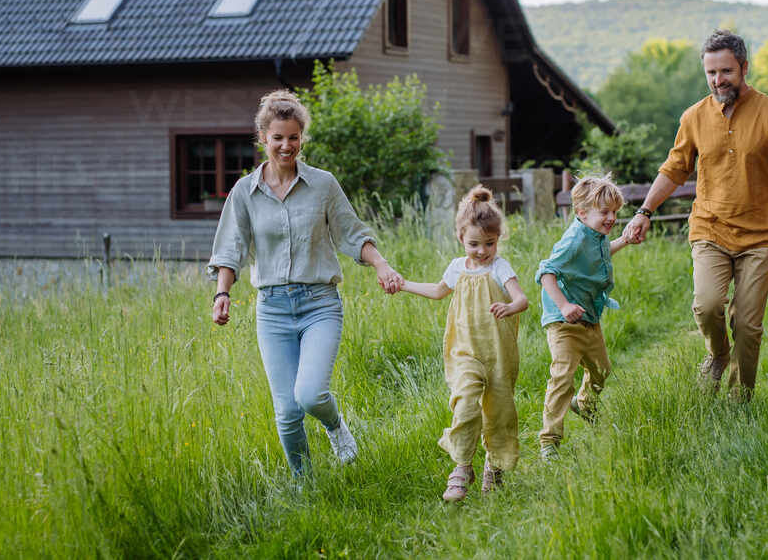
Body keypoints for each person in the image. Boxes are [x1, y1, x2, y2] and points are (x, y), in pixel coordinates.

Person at [208, 89, 403, 476]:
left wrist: (381, 265)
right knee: (286, 410)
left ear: (302, 139)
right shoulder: (245, 193)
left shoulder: (323, 185)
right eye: (277, 137)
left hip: (319, 304)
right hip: (273, 310)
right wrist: (222, 293)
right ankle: (305, 487)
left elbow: (352, 234)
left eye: (293, 137)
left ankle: (335, 426)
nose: (286, 145)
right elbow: (230, 248)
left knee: (310, 395)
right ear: (263, 138)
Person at [622, 29, 768, 397]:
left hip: (762, 234)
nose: (718, 80)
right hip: (709, 228)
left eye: (726, 71)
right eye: (711, 73)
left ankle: (740, 400)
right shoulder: (694, 117)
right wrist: (644, 212)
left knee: (748, 324)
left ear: (744, 67)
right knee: (708, 304)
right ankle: (717, 356)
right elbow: (674, 169)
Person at [387, 185, 528, 501]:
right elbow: (438, 291)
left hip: (499, 355)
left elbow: (522, 299)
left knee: (500, 413)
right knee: (464, 402)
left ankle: (495, 465)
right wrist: (404, 284)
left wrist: (510, 306)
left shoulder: (500, 267)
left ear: (497, 239)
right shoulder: (456, 267)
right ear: (461, 239)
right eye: (474, 244)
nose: (481, 251)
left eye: (489, 244)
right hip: (465, 352)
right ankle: (462, 467)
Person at [536, 175, 630, 459]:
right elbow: (545, 272)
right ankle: (549, 442)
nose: (612, 217)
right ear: (581, 213)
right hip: (564, 322)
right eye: (605, 212)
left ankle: (585, 403)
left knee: (601, 370)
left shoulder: (595, 235)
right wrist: (564, 306)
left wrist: (623, 240)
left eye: (615, 212)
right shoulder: (574, 238)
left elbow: (600, 253)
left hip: (589, 318)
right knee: (562, 379)